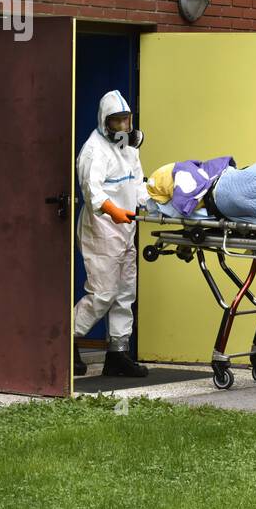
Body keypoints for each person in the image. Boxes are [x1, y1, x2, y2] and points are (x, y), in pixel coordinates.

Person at [73, 90, 150, 378]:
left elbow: (137, 183)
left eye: (125, 121)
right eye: (116, 121)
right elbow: (92, 190)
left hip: (126, 228)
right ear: (104, 122)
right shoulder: (94, 150)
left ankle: (118, 353)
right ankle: (65, 341)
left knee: (124, 293)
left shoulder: (129, 148)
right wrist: (113, 211)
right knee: (103, 294)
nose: (122, 127)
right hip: (101, 230)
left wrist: (150, 202)